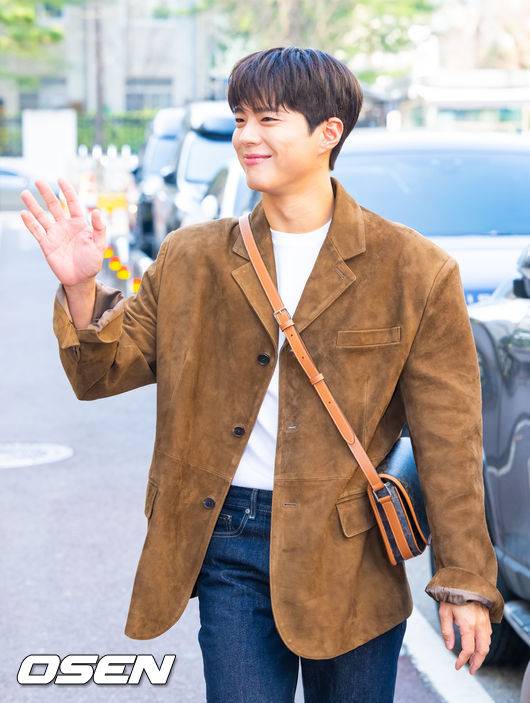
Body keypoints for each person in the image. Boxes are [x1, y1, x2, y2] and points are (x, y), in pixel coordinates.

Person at [20, 46, 503, 702]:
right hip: (229, 541)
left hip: (351, 552)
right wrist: (82, 287)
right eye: (240, 118)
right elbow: (101, 372)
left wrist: (465, 582)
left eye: (269, 119)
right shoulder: (191, 258)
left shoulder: (414, 270)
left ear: (328, 132)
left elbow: (450, 440)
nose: (247, 136)